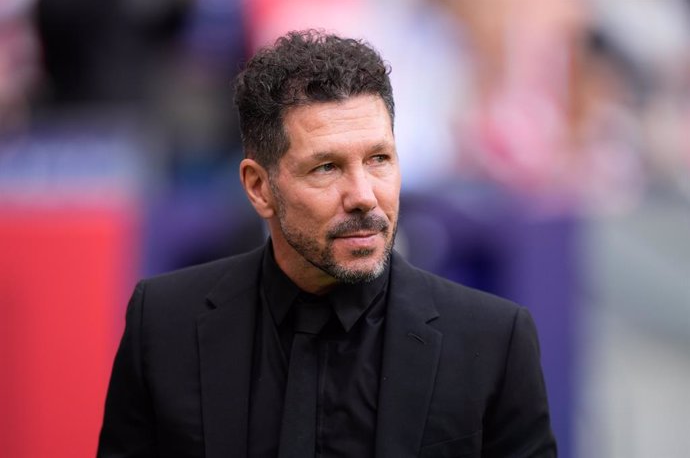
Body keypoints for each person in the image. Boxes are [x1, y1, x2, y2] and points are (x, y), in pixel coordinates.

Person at [98, 29, 557, 458]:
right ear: (259, 188)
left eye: (379, 159)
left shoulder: (493, 340)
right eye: (327, 168)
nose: (363, 195)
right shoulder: (162, 325)